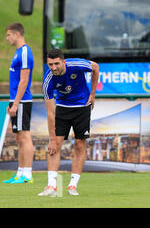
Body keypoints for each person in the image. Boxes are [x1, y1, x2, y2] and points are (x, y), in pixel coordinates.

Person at [38, 49, 99, 196]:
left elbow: (95, 67)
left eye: (56, 64)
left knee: (79, 144)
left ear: (63, 62)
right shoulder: (47, 80)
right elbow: (50, 112)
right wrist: (52, 139)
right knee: (55, 145)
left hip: (82, 107)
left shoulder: (76, 64)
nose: (53, 68)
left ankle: (73, 185)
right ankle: (51, 186)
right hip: (62, 108)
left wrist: (92, 93)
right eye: (50, 64)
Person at [3, 23, 35, 184]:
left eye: (8, 35)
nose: (7, 38)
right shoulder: (18, 53)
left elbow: (24, 81)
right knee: (18, 138)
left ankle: (28, 175)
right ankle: (20, 173)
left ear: (16, 34)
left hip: (22, 100)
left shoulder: (24, 53)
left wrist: (15, 104)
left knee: (25, 136)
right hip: (16, 100)